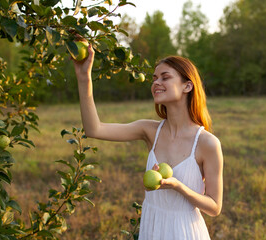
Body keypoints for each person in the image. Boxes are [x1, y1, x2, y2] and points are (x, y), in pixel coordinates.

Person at [73, 42, 223, 240]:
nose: (156, 83)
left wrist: (179, 186)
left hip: (185, 232)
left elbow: (214, 207)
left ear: (187, 85)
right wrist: (84, 77)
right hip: (152, 228)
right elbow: (94, 129)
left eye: (165, 77)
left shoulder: (207, 143)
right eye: (154, 78)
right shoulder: (149, 130)